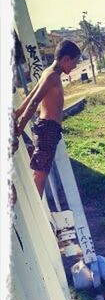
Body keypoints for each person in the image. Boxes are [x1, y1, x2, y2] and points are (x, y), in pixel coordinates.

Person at [13, 39, 81, 196]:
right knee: (41, 174)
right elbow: (35, 101)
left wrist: (17, 114)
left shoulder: (49, 73)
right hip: (48, 129)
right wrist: (19, 128)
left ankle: (37, 202)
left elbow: (30, 97)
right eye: (74, 62)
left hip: (49, 129)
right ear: (66, 59)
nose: (75, 66)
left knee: (41, 172)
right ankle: (38, 208)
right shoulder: (52, 76)